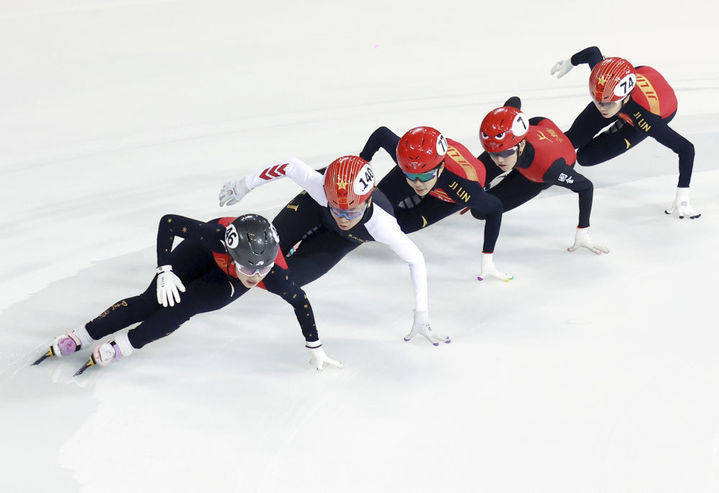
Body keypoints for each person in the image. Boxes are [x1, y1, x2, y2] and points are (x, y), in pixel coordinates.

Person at [33, 213, 343, 374]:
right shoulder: (216, 237)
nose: (256, 278)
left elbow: (301, 302)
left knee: (183, 308)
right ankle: (83, 335)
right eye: (250, 271)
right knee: (150, 301)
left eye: (261, 272)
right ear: (235, 257)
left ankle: (124, 346)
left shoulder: (275, 276)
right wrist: (164, 269)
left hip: (224, 279)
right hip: (203, 253)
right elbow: (168, 223)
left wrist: (315, 346)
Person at [218, 155, 449, 345]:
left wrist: (422, 315)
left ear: (368, 201)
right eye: (337, 209)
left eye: (351, 212)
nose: (343, 218)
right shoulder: (319, 187)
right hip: (313, 208)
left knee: (286, 278)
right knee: (262, 254)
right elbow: (290, 166)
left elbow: (416, 260)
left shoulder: (383, 225)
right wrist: (244, 185)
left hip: (342, 239)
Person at [551, 46, 700, 219]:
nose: (601, 108)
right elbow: (593, 53)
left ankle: (620, 123)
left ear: (625, 97)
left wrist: (683, 195)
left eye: (605, 104)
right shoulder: (605, 83)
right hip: (632, 83)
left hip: (654, 110)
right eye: (596, 101)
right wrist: (571, 62)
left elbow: (686, 148)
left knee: (586, 157)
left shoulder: (645, 118)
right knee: (570, 141)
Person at [358, 126, 512, 281]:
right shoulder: (409, 159)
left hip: (451, 191)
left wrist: (487, 260)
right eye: (410, 176)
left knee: (401, 226)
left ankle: (414, 197)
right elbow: (382, 133)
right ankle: (416, 182)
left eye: (424, 177)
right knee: (371, 207)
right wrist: (363, 164)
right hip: (427, 165)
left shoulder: (463, 189)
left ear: (441, 168)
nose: (418, 183)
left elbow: (495, 208)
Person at [466, 97, 608, 254]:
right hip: (540, 125)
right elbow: (513, 103)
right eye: (493, 154)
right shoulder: (506, 140)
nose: (499, 160)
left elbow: (586, 187)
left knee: (479, 211)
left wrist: (583, 230)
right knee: (471, 178)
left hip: (537, 174)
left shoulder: (550, 170)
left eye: (505, 153)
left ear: (521, 144)